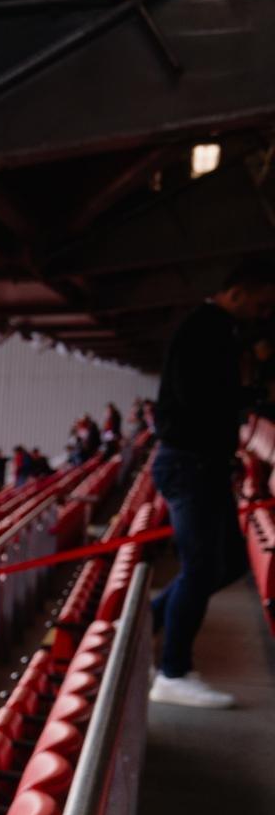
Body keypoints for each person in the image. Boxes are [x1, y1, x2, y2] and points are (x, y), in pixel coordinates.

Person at [148, 261, 275, 709]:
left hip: (203, 464)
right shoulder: (207, 329)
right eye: (261, 304)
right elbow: (198, 397)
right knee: (201, 568)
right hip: (190, 464)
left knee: (229, 562)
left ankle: (146, 626)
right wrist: (248, 396)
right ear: (237, 293)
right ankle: (173, 672)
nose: (263, 314)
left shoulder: (217, 329)